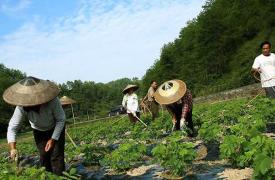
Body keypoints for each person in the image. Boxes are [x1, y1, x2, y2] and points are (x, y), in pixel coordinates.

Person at [3, 76, 66, 175]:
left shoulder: (52, 100)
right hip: (38, 131)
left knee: (56, 156)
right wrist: (13, 148)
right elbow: (12, 127)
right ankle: (47, 176)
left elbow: (61, 119)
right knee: (44, 156)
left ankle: (59, 176)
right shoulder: (21, 106)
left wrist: (53, 139)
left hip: (55, 127)